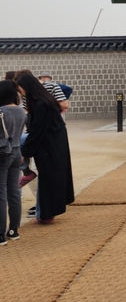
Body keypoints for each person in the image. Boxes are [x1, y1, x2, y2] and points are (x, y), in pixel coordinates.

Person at [16, 74, 75, 224]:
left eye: (20, 87)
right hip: (52, 142)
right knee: (49, 178)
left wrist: (25, 154)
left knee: (48, 179)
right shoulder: (41, 100)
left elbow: (37, 132)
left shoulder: (42, 104)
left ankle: (46, 214)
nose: (19, 90)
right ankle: (45, 212)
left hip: (49, 144)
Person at [0, 80, 26, 245]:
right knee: (14, 192)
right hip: (17, 152)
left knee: (1, 194)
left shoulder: (1, 111)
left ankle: (0, 234)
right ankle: (13, 229)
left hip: (3, 154)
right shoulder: (21, 111)